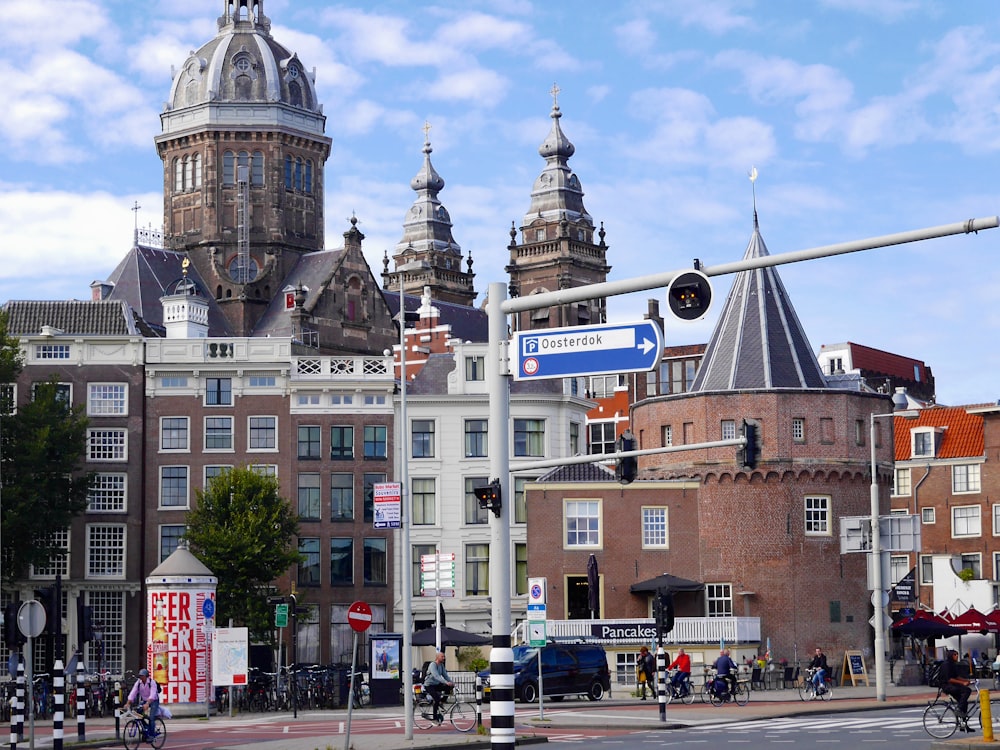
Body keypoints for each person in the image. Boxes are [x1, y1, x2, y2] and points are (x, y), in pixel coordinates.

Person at [941, 649, 974, 731]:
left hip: (952, 685)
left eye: (957, 654)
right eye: (955, 655)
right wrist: (962, 683)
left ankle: (963, 725)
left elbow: (956, 676)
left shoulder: (953, 664)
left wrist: (966, 681)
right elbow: (949, 679)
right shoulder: (946, 665)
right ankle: (958, 709)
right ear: (951, 656)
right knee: (967, 691)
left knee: (964, 703)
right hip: (947, 686)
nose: (957, 656)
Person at [124, 668, 160, 741]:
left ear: (146, 676)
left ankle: (152, 735)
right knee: (138, 715)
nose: (140, 678)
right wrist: (128, 702)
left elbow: (153, 694)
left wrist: (147, 704)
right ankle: (146, 728)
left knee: (151, 717)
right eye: (140, 676)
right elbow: (133, 692)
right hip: (144, 700)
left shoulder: (152, 683)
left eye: (142, 676)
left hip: (153, 701)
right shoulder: (138, 683)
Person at [422, 651, 454, 723]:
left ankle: (441, 702)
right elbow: (436, 676)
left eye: (444, 656)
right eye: (442, 656)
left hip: (436, 684)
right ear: (437, 657)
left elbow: (445, 676)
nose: (444, 658)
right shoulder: (433, 665)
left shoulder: (441, 665)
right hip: (429, 685)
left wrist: (452, 683)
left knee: (448, 688)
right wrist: (446, 682)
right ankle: (434, 718)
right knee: (436, 699)